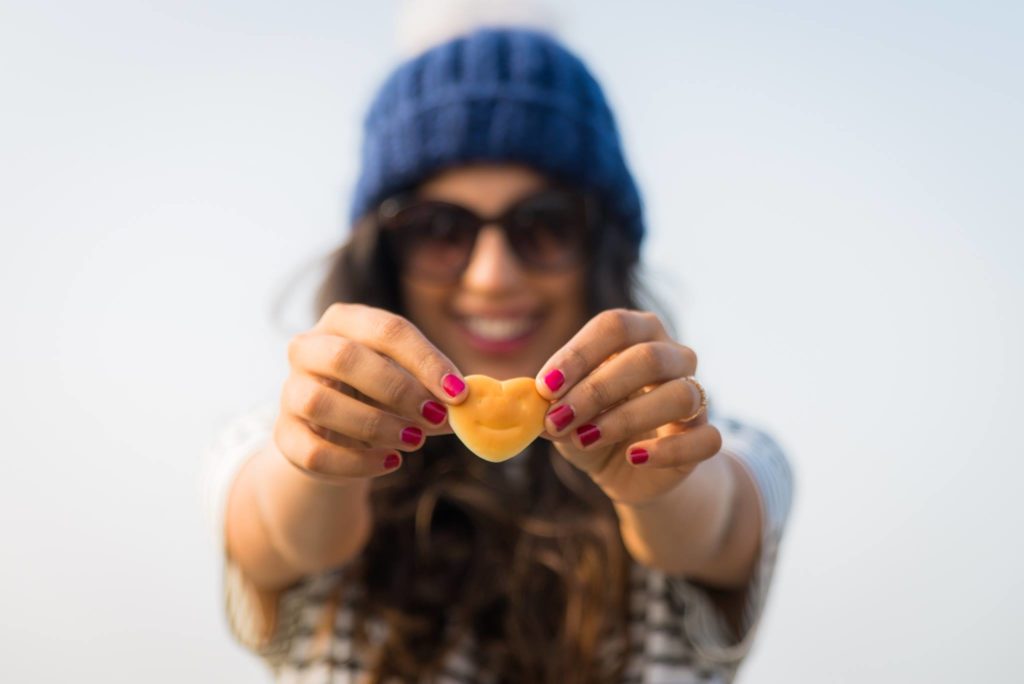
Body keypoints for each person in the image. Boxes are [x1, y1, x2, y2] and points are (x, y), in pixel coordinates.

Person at [200, 25, 793, 684]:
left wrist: (664, 482)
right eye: (438, 230)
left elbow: (712, 527)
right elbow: (283, 532)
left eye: (544, 223)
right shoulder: (275, 438)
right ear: (383, 254)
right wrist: (320, 459)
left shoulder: (715, 442)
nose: (491, 276)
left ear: (601, 245)